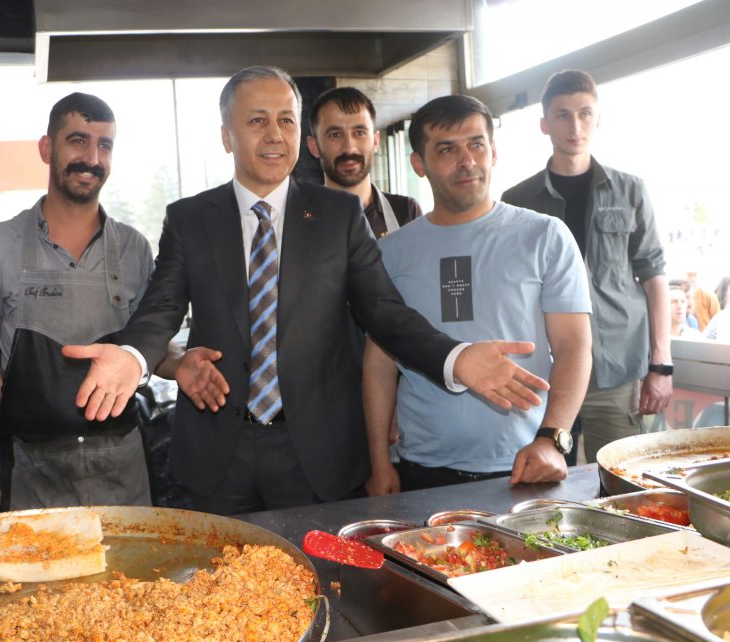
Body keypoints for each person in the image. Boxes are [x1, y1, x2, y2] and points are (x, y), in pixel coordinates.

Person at [62, 66, 551, 515]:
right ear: (227, 136)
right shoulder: (190, 219)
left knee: (326, 592)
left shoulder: (337, 216)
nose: (275, 134)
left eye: (287, 121)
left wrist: (455, 358)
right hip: (218, 452)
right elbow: (162, 308)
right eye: (257, 120)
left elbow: (383, 311)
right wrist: (133, 356)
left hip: (318, 455)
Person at [0, 93, 169, 509]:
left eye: (104, 144)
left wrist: (184, 364)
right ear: (46, 148)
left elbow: (148, 348)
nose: (92, 157)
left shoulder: (132, 247)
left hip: (122, 466)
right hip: (33, 470)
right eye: (78, 140)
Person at [362, 95, 592, 494]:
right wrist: (379, 462)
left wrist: (553, 440)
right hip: (421, 466)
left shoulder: (544, 236)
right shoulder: (390, 251)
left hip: (525, 461)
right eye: (447, 149)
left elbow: (574, 347)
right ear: (419, 163)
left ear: (494, 151)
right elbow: (379, 363)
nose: (466, 159)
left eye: (476, 144)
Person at [502, 70, 671, 463]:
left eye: (584, 113)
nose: (574, 126)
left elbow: (654, 276)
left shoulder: (631, 190)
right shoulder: (517, 199)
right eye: (562, 115)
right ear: (544, 124)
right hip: (544, 371)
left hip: (614, 371)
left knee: (617, 481)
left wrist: (660, 365)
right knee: (540, 478)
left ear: (598, 118)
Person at [306, 86, 422, 238]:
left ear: (375, 141)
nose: (349, 148)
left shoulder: (406, 213)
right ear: (314, 146)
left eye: (359, 133)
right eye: (335, 135)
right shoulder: (299, 219)